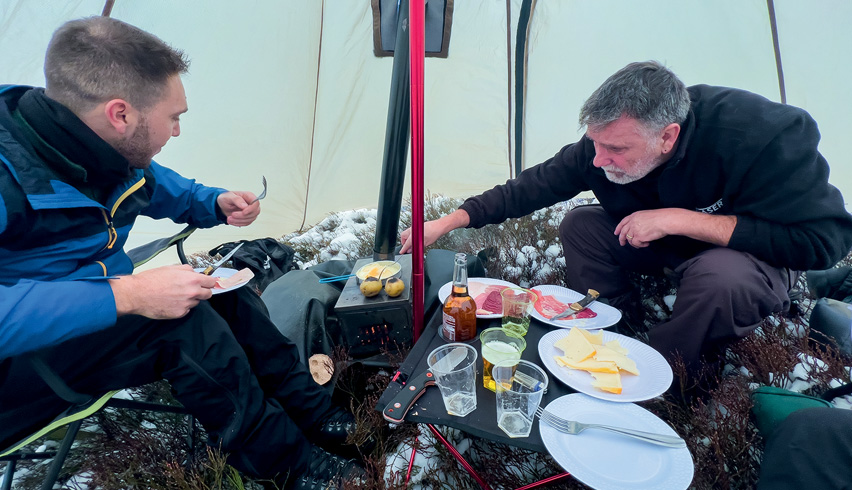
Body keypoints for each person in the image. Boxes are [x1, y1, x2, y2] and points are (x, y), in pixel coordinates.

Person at [0, 16, 363, 489]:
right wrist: (124, 296)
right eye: (173, 118)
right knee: (185, 324)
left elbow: (147, 183)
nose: (176, 132)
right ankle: (291, 468)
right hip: (21, 371)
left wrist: (211, 201)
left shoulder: (84, 139)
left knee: (221, 287)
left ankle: (315, 414)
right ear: (120, 114)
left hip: (88, 313)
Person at [400, 61, 852, 373]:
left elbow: (823, 241)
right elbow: (532, 187)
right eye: (595, 144)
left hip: (741, 258)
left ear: (667, 137)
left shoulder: (762, 136)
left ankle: (668, 376)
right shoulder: (604, 145)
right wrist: (447, 222)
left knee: (720, 279)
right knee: (580, 225)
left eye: (616, 149)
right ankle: (612, 327)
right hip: (664, 249)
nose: (599, 160)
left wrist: (678, 218)